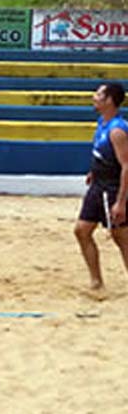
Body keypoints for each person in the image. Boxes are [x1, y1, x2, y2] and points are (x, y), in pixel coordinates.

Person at [74, 82, 128, 293]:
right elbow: (103, 154)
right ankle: (96, 282)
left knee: (120, 236)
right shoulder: (102, 123)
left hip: (112, 188)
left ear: (109, 101)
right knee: (81, 230)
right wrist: (94, 171)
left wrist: (121, 202)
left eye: (99, 95)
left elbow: (126, 166)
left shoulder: (117, 131)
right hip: (98, 185)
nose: (94, 97)